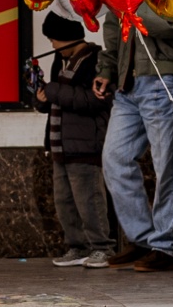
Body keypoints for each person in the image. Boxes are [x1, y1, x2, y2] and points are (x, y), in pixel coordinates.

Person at [94, 1, 173, 272]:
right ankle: (142, 239)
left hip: (165, 76)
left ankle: (168, 245)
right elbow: (112, 26)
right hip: (128, 80)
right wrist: (108, 69)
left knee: (167, 163)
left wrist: (132, 8)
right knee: (114, 159)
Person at [33, 14, 113, 268]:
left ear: (66, 38)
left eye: (53, 39)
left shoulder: (96, 60)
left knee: (89, 198)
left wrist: (54, 90)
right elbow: (55, 99)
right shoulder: (60, 60)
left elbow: (93, 99)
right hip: (59, 145)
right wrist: (42, 97)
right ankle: (76, 246)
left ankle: (102, 247)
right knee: (64, 201)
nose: (52, 45)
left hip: (85, 144)